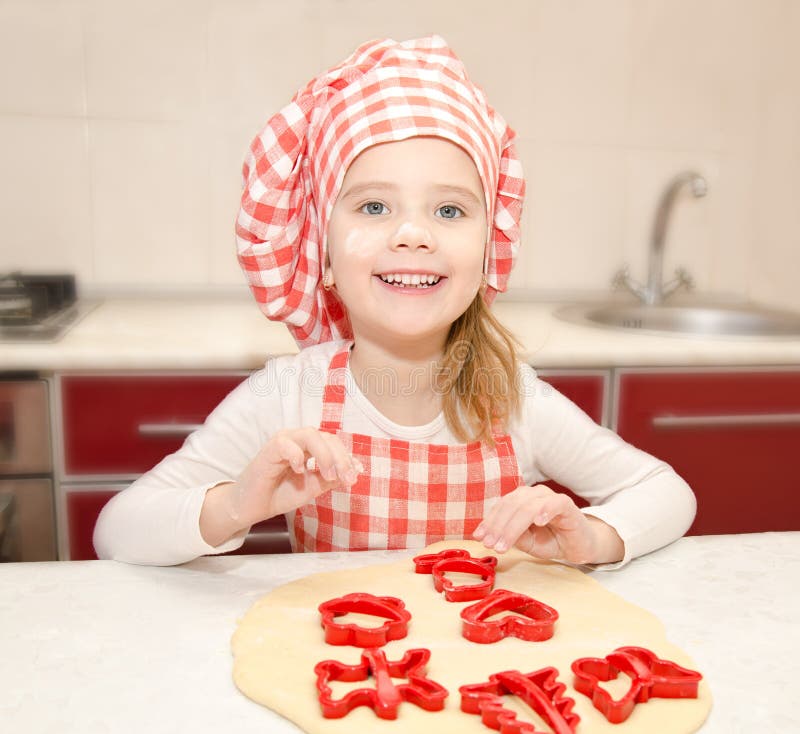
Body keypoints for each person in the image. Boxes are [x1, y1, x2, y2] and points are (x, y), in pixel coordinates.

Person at [94, 36, 695, 568]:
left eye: (450, 210)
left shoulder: (515, 399)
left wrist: (593, 537)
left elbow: (668, 492)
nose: (414, 233)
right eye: (374, 206)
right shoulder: (286, 398)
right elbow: (116, 531)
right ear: (321, 255)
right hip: (347, 681)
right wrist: (232, 505)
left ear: (490, 251)